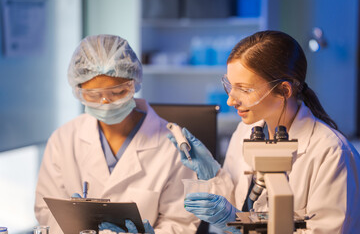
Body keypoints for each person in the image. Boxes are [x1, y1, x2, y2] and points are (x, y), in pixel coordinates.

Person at [169, 30, 360, 233]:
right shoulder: (245, 131)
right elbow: (237, 204)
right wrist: (213, 175)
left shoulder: (331, 153)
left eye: (244, 89)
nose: (230, 101)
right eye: (230, 87)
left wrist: (239, 223)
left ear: (284, 91)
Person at [34, 34, 199, 233]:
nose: (106, 103)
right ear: (78, 91)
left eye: (117, 92)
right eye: (93, 95)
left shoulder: (172, 144)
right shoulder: (64, 140)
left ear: (134, 83)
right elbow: (46, 211)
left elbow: (181, 222)